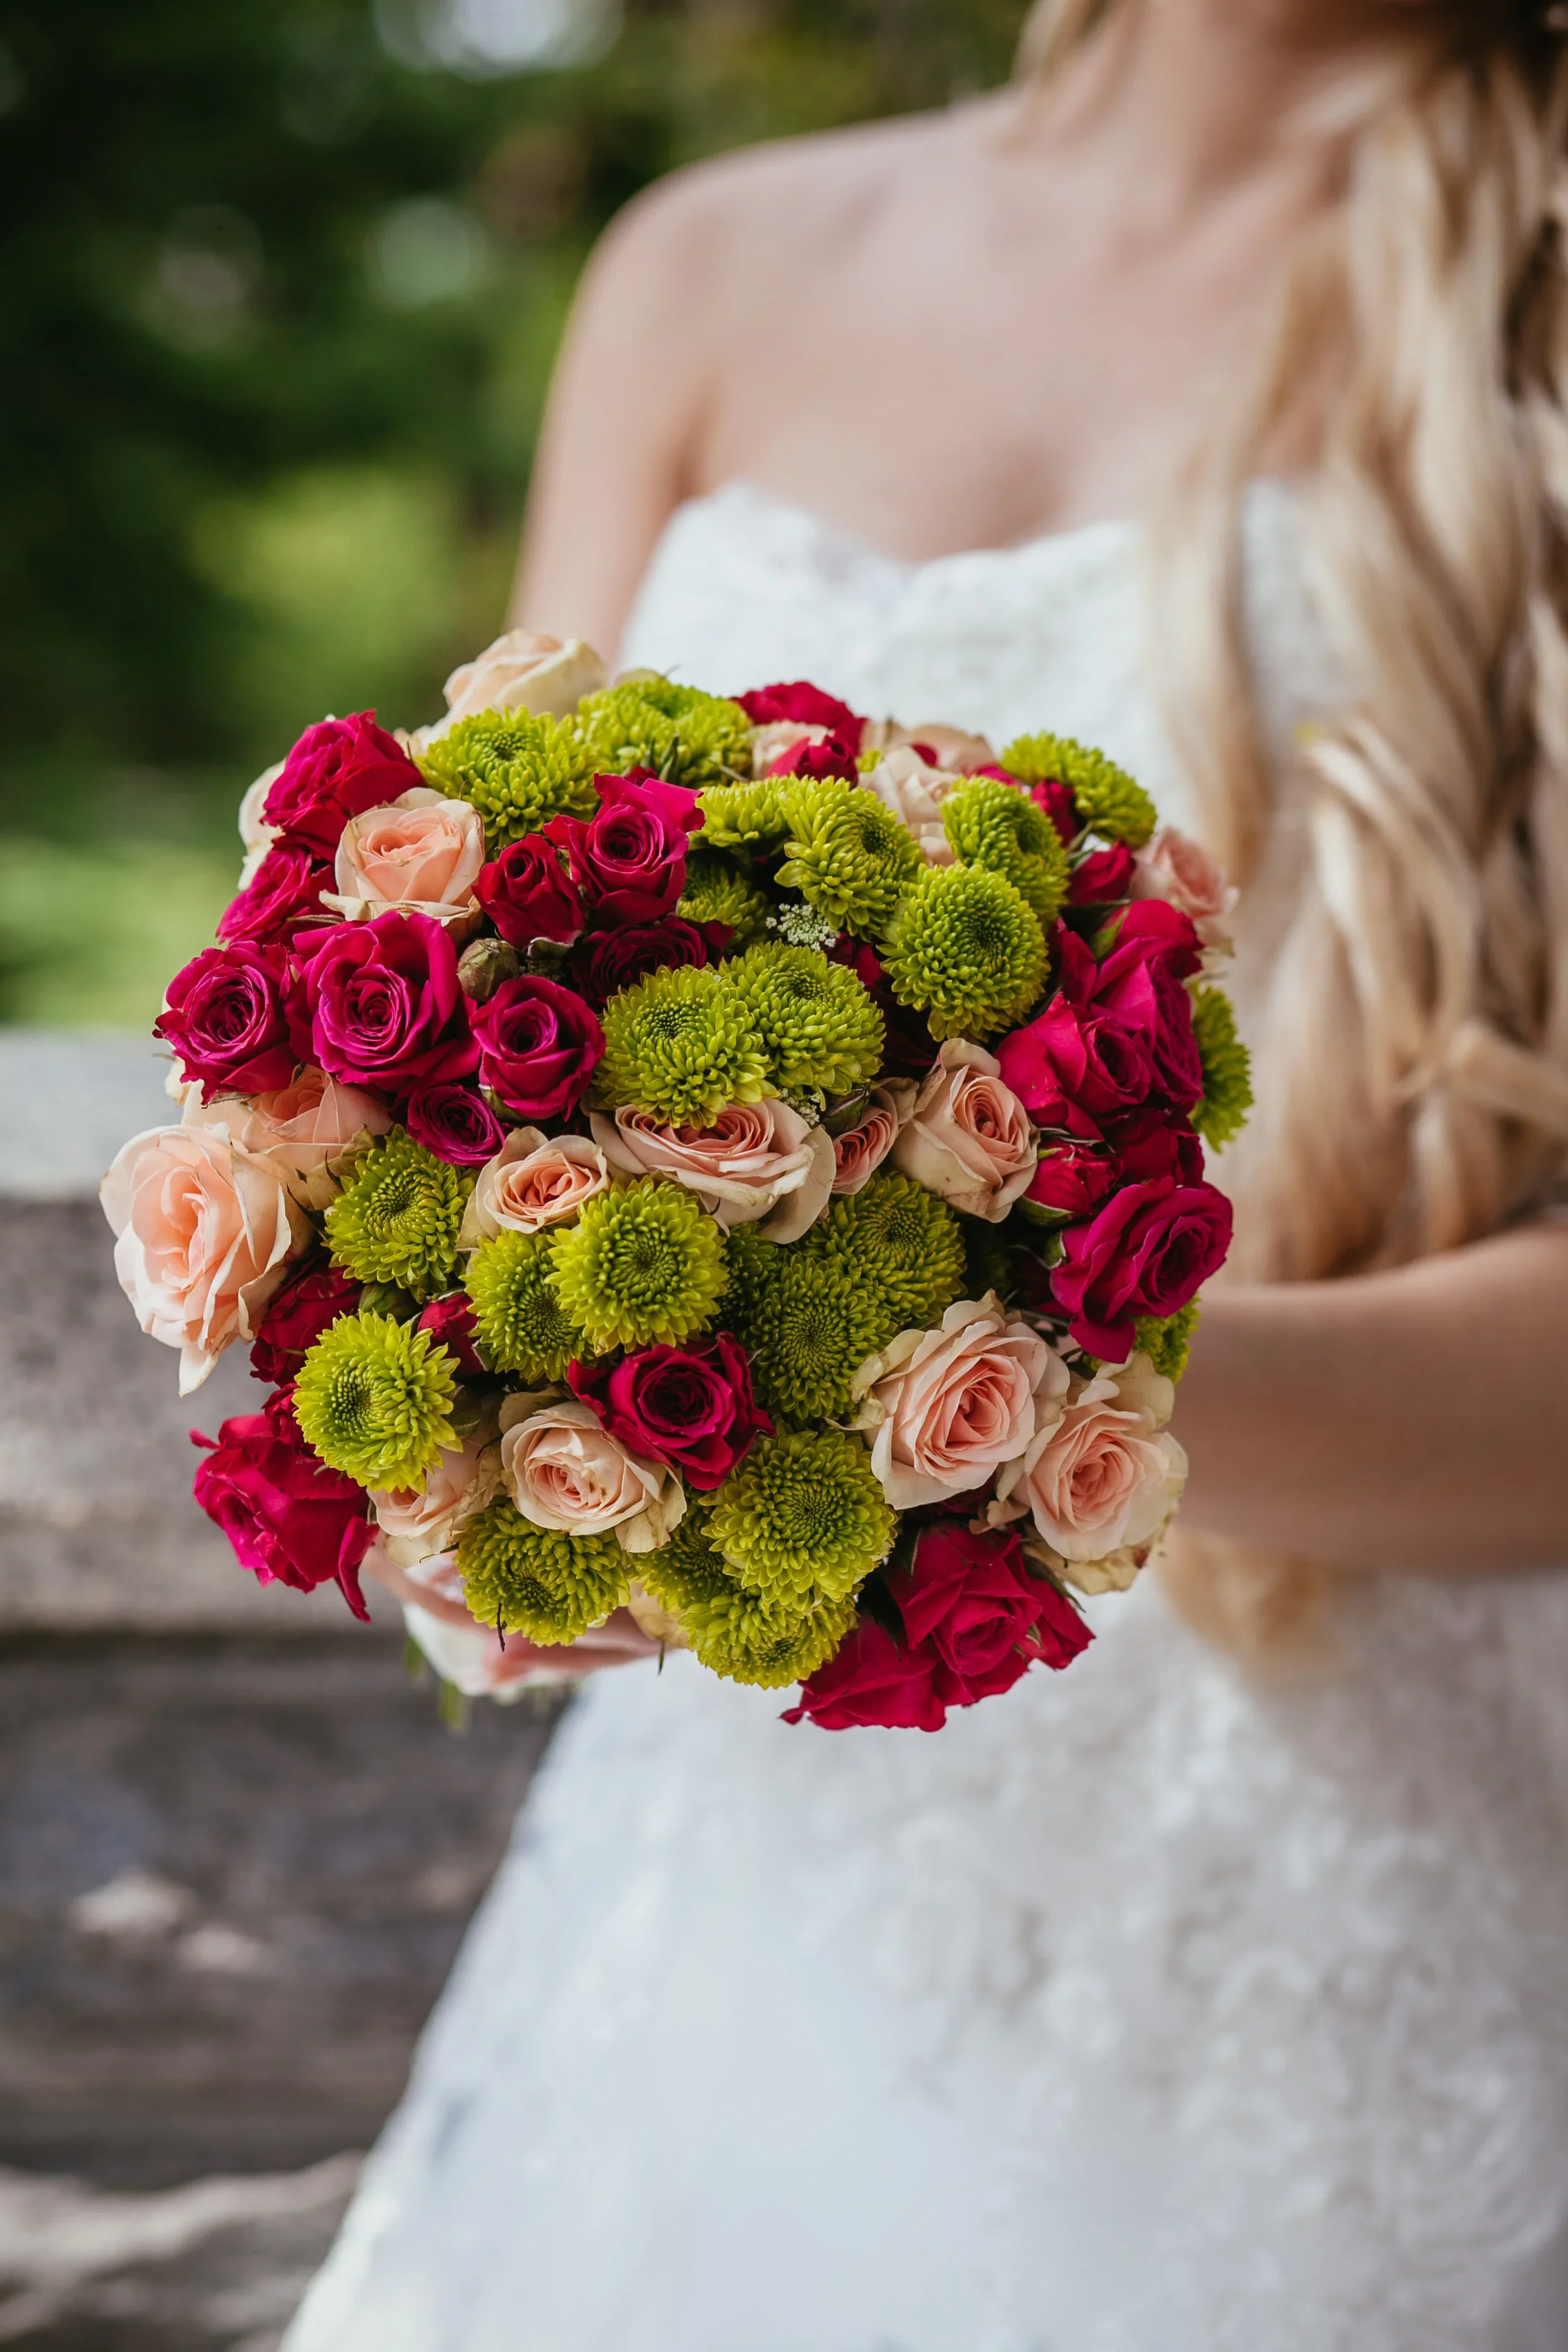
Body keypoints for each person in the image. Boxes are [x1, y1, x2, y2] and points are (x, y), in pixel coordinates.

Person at [283, 3, 1568, 2345]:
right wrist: (486, 1405)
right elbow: (478, 992)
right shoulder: (705, 270)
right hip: (742, 1910)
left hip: (1331, 1912)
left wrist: (1001, 1407)